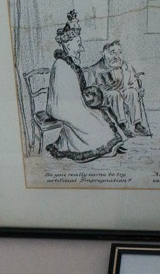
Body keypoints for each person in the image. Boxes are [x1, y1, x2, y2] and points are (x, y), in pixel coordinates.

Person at [43, 11, 124, 162]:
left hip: (73, 104)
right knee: (92, 121)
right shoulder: (60, 66)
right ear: (68, 45)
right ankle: (100, 146)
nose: (82, 49)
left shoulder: (68, 63)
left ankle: (107, 143)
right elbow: (61, 101)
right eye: (78, 45)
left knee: (99, 115)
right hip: (62, 108)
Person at [84, 40, 150, 137]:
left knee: (131, 92)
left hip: (123, 91)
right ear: (103, 54)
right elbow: (91, 90)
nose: (116, 56)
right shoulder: (94, 69)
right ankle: (122, 126)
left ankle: (137, 124)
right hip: (106, 96)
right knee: (115, 94)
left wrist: (138, 90)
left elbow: (133, 83)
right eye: (112, 53)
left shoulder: (127, 66)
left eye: (119, 53)